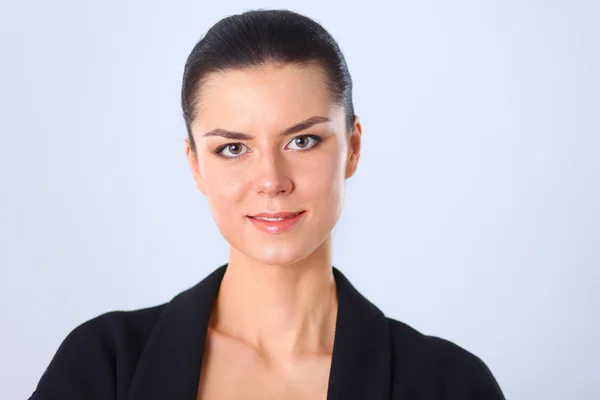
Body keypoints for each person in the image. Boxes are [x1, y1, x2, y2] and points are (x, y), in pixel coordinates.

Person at [30, 9, 505, 400]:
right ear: (195, 164)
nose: (271, 181)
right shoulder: (103, 367)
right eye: (233, 148)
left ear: (352, 148)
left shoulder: (450, 385)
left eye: (302, 141)